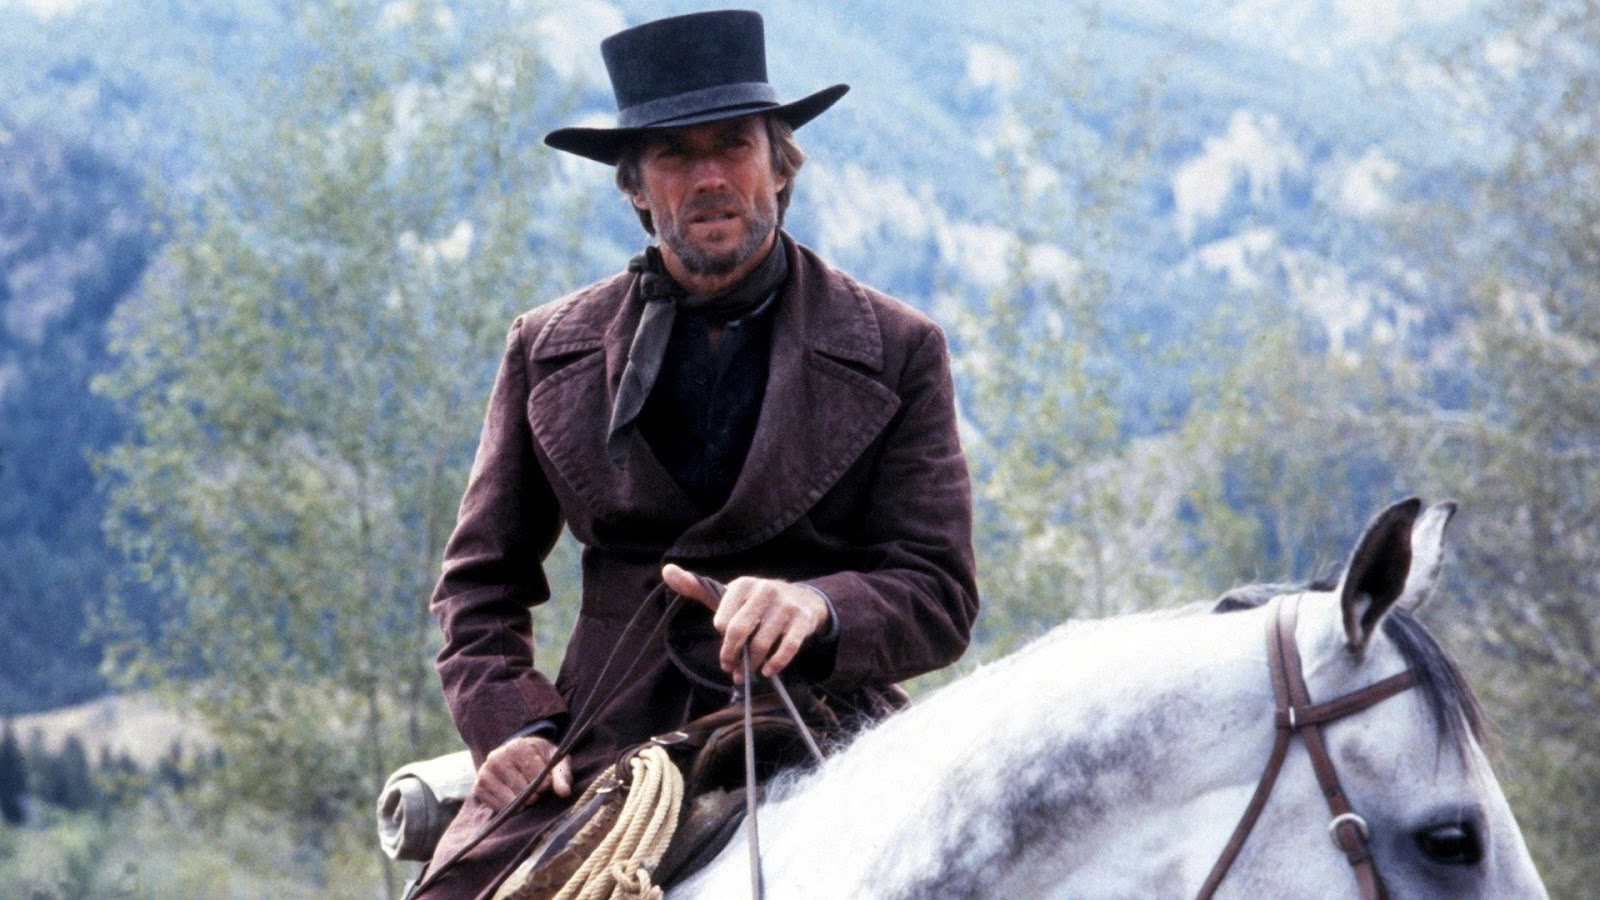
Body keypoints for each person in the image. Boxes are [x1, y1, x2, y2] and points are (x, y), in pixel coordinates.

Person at [414, 10, 978, 898]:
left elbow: (939, 593)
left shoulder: (898, 348)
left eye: (733, 145)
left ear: (780, 164)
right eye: (675, 155)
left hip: (816, 726)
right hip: (605, 746)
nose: (710, 176)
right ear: (636, 188)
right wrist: (513, 725)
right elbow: (480, 585)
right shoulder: (547, 347)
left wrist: (819, 607)